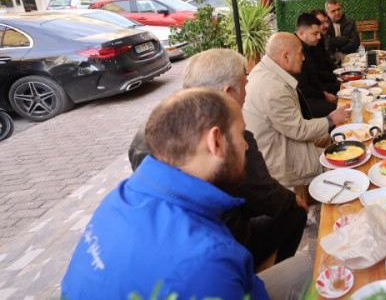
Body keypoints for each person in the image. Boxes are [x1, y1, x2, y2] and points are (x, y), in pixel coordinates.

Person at [62, 88, 312, 299]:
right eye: (240, 134)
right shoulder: (209, 258)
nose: (246, 145)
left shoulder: (119, 197)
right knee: (315, 268)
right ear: (215, 141)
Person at [127, 49, 308, 268]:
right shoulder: (230, 139)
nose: (246, 93)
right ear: (228, 91)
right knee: (295, 214)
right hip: (227, 244)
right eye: (245, 84)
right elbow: (265, 195)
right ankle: (267, 271)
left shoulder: (148, 130)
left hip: (176, 244)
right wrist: (291, 200)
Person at [243, 32, 350, 188]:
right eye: (300, 54)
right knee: (343, 163)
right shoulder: (273, 88)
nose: (303, 58)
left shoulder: (265, 69)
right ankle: (323, 198)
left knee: (331, 137)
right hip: (279, 159)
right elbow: (300, 130)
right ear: (285, 56)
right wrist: (331, 119)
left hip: (282, 139)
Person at [295, 13, 337, 117]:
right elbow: (303, 89)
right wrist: (324, 95)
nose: (319, 37)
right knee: (336, 108)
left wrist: (335, 79)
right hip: (301, 101)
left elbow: (315, 75)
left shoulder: (310, 46)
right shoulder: (295, 50)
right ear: (301, 33)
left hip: (313, 91)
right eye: (315, 34)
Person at [311, 8, 341, 93]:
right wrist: (335, 78)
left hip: (327, 80)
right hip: (319, 88)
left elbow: (327, 61)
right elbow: (317, 73)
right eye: (321, 23)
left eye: (326, 22)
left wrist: (339, 73)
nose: (326, 26)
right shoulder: (311, 44)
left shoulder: (321, 39)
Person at [325, 0, 360, 65]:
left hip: (349, 57)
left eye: (338, 9)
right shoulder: (325, 25)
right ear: (327, 13)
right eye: (333, 11)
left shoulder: (349, 22)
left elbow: (355, 43)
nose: (337, 12)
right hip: (331, 60)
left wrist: (338, 49)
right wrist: (346, 39)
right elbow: (328, 44)